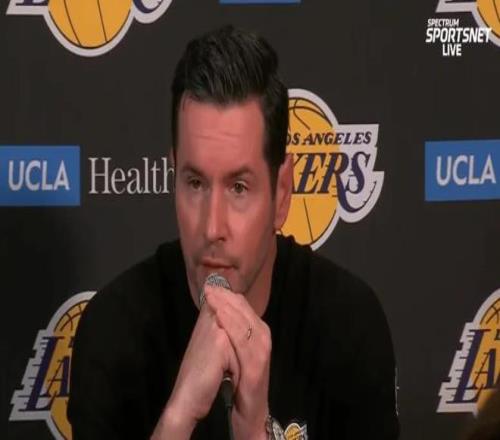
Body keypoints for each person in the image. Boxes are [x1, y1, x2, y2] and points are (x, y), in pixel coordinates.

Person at [68, 25, 400, 440]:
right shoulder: (113, 330)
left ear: (282, 193)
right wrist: (179, 415)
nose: (212, 227)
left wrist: (256, 431)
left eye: (239, 188)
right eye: (195, 183)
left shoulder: (348, 325)